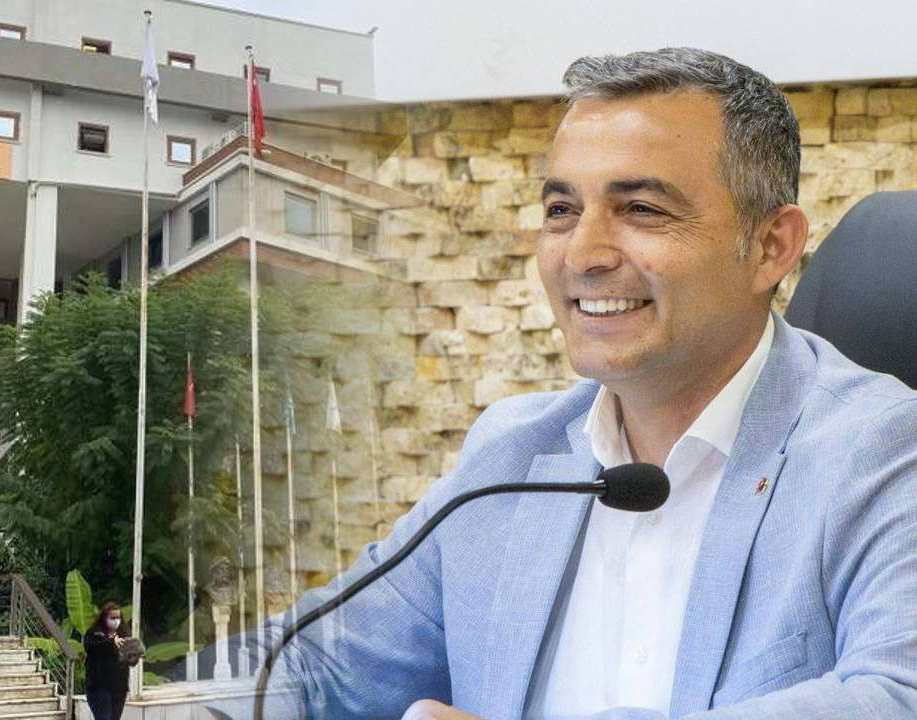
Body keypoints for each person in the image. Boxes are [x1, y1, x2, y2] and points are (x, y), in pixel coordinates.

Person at [244, 48, 917, 720]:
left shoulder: (885, 451)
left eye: (642, 209)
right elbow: (311, 664)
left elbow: (899, 694)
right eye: (562, 209)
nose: (584, 254)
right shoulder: (512, 454)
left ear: (770, 246)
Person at [84, 602, 135, 720]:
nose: (116, 621)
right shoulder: (94, 632)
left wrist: (134, 654)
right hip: (99, 687)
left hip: (119, 688)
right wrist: (111, 642)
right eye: (112, 618)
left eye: (118, 617)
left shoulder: (123, 634)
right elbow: (92, 647)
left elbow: (129, 660)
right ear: (104, 618)